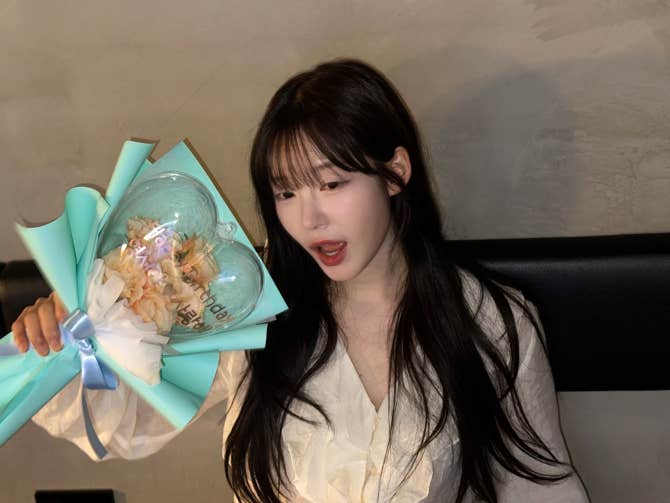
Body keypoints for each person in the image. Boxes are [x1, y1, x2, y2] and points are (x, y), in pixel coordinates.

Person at [11, 59, 589, 502]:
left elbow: (540, 491)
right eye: (286, 192)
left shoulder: (490, 323)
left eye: (331, 185)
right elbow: (126, 423)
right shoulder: (248, 312)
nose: (309, 220)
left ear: (394, 173)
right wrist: (64, 342)